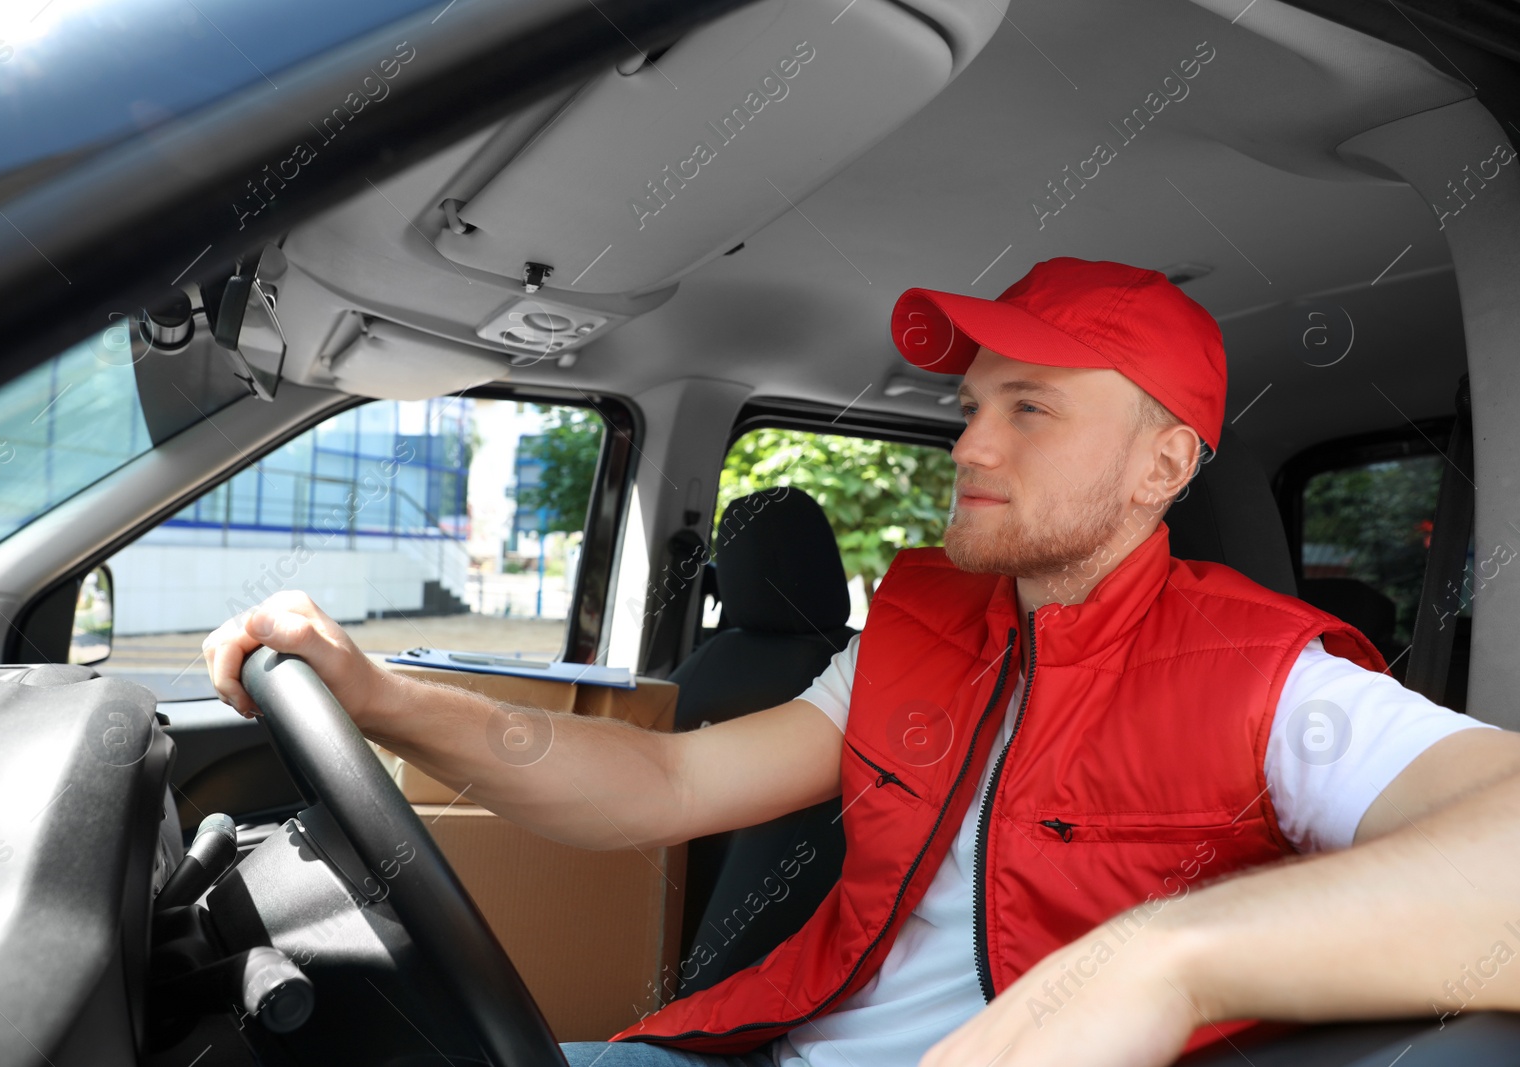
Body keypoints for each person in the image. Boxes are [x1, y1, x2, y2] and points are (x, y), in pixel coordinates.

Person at [203, 257, 1520, 1067]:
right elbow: (659, 790)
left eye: (1031, 409)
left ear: (1163, 466)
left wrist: (1157, 960)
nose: (971, 448)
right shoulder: (928, 631)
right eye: (971, 407)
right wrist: (381, 699)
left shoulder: (1269, 679)